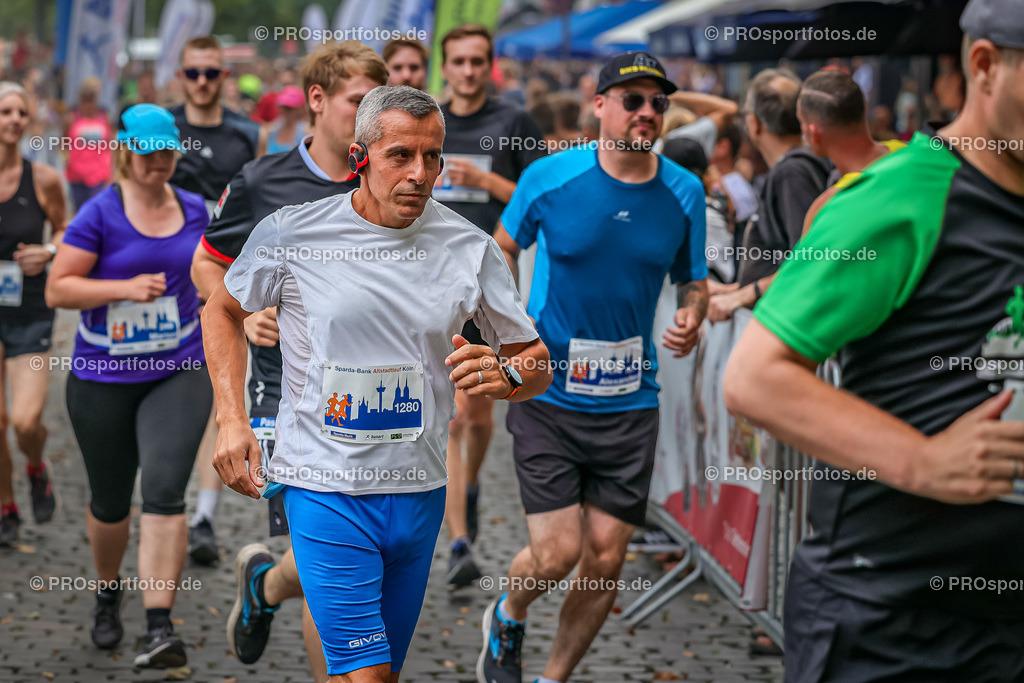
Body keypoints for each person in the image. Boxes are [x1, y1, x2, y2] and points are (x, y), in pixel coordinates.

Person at [203, 84, 551, 683]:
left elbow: (534, 359)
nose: (420, 173)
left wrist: (508, 374)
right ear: (361, 156)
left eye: (433, 157)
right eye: (401, 156)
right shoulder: (294, 233)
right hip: (324, 482)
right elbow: (221, 311)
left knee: (377, 668)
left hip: (419, 489)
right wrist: (232, 419)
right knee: (369, 675)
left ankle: (265, 584)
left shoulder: (469, 248)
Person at [724, 0, 1024, 678]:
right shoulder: (900, 195)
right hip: (889, 619)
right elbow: (755, 376)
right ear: (984, 66)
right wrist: (922, 460)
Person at [479, 51, 708, 683]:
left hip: (631, 403)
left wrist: (691, 314)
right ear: (599, 105)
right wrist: (506, 335)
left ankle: (553, 677)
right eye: (632, 100)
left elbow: (694, 281)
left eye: (658, 102)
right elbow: (498, 252)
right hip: (548, 392)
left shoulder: (685, 191)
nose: (647, 112)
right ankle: (510, 608)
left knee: (605, 559)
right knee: (556, 555)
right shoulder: (550, 179)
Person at [191, 39, 387, 680]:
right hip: (288, 397)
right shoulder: (262, 181)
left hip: (377, 401)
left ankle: (263, 587)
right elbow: (207, 267)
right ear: (318, 100)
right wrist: (248, 314)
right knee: (329, 562)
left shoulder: (387, 182)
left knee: (340, 561)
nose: (369, 117)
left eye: (377, 104)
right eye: (359, 102)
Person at [45, 104, 212, 669]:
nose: (158, 163)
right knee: (111, 503)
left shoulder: (196, 210)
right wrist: (123, 288)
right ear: (124, 150)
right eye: (147, 153)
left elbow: (217, 273)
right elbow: (58, 289)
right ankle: (108, 589)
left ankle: (159, 625)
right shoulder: (98, 213)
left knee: (164, 490)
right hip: (104, 377)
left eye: (167, 152)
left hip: (179, 369)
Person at [436, 24, 547, 588]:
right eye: (459, 61)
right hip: (427, 286)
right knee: (455, 418)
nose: (469, 70)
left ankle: (471, 485)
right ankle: (458, 540)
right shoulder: (428, 118)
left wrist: (488, 180)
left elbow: (542, 198)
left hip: (487, 289)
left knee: (478, 417)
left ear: (489, 65)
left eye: (478, 60)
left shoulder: (513, 122)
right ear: (446, 65)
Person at [708, 69, 901, 323]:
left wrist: (744, 295)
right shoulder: (908, 159)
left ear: (811, 131)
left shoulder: (803, 178)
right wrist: (734, 290)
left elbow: (808, 269)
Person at [169, 35, 260, 565]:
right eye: (193, 73)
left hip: (218, 270)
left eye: (211, 73)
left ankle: (202, 516)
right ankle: (163, 496)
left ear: (225, 77)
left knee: (212, 391)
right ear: (180, 76)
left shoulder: (246, 133)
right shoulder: (165, 128)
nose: (202, 82)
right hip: (159, 276)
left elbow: (256, 203)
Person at [707, 69, 832, 322]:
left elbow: (808, 262)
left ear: (754, 123)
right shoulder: (795, 167)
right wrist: (734, 289)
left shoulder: (792, 172)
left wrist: (743, 295)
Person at [0, 82, 66, 546]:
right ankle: (7, 508)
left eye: (21, 112)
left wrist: (47, 249)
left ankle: (36, 466)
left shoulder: (42, 179)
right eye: (5, 111)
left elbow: (66, 229)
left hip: (30, 312)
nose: (14, 120)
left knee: (25, 421)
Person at [64, 77, 112, 211]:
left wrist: (111, 173)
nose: (88, 103)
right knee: (79, 213)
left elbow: (111, 146)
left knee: (96, 211)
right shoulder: (72, 118)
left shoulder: (104, 117)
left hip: (98, 177)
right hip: (76, 176)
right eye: (85, 99)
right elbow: (63, 143)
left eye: (91, 99)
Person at [264, 85, 306, 155]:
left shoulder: (305, 133)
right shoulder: (270, 131)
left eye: (290, 108)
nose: (286, 112)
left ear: (299, 109)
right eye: (284, 107)